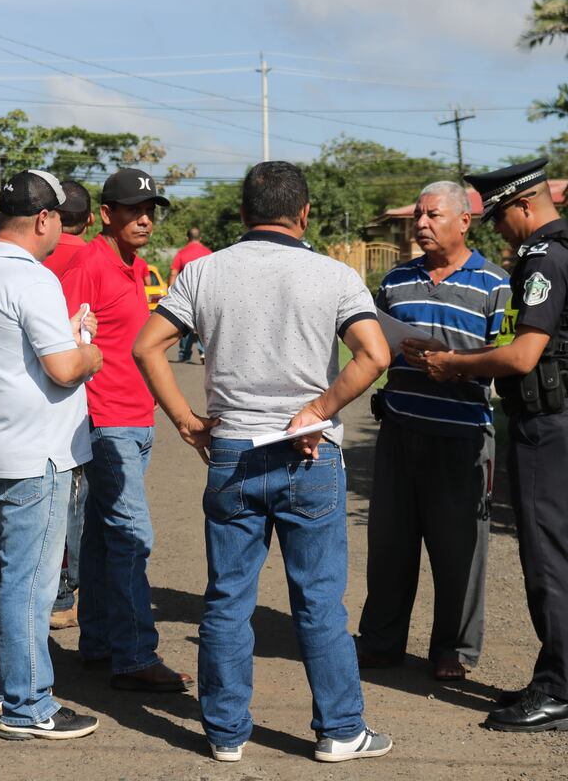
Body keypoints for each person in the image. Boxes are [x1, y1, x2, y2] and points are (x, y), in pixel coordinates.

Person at [134, 161, 394, 763]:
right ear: (303, 214)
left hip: (231, 453)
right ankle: (340, 731)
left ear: (244, 213)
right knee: (319, 601)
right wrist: (317, 409)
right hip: (310, 457)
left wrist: (184, 420)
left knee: (227, 599)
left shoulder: (202, 271)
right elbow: (374, 353)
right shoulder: (334, 275)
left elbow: (146, 345)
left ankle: (226, 735)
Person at [406, 158, 568, 733]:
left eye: (499, 217)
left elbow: (522, 356)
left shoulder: (542, 258)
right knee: (567, 559)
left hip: (553, 425)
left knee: (550, 561)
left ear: (524, 205)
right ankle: (558, 678)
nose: (497, 229)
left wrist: (454, 364)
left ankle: (560, 694)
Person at [0, 169, 103, 741]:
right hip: (35, 455)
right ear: (43, 220)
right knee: (31, 583)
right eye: (60, 218)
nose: (62, 228)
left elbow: (1, 353)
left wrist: (64, 338)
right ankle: (29, 706)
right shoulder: (32, 279)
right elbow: (63, 368)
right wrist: (89, 350)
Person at [357, 181, 511, 682]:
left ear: (464, 220)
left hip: (463, 437)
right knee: (390, 543)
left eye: (432, 215)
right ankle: (381, 642)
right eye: (419, 215)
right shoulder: (396, 281)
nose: (420, 224)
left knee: (459, 548)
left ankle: (454, 649)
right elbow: (374, 343)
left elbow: (507, 361)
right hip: (400, 429)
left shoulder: (496, 285)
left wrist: (457, 366)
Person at [59, 167, 192, 693]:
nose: (144, 219)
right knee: (133, 537)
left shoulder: (133, 266)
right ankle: (136, 654)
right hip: (108, 422)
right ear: (105, 216)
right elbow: (63, 341)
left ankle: (97, 642)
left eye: (151, 210)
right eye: (133, 210)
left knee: (100, 537)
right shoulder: (90, 264)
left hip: (133, 419)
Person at [43, 180, 95, 629]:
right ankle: (65, 595)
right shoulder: (93, 257)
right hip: (86, 391)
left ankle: (55, 589)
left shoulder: (33, 255)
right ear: (93, 218)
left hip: (36, 396)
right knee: (78, 500)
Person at [168, 227, 211, 363]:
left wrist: (171, 292)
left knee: (185, 322)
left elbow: (174, 273)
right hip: (205, 293)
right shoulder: (208, 253)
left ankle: (184, 354)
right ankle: (204, 351)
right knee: (203, 323)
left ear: (187, 238)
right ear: (201, 238)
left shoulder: (181, 253)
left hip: (186, 294)